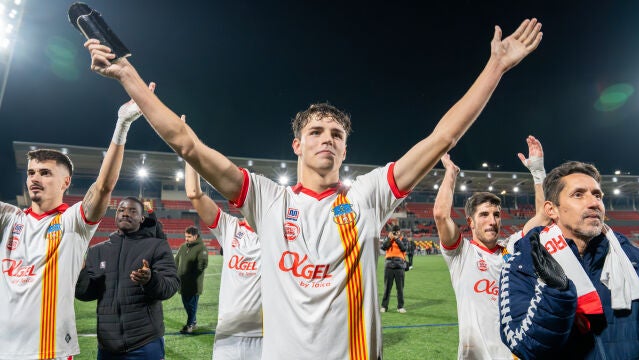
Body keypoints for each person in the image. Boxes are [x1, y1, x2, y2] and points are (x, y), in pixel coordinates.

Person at [84, 17, 542, 359]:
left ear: (344, 150)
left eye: (337, 134)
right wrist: (127, 76)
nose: (328, 139)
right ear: (297, 144)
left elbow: (442, 137)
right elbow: (187, 143)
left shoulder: (367, 195)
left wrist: (496, 66)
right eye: (318, 131)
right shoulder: (267, 198)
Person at [0, 92, 147, 359]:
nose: (35, 178)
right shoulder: (9, 219)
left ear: (65, 182)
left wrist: (122, 125)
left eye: (45, 173)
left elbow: (103, 187)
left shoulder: (72, 221)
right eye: (31, 172)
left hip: (48, 350)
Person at [499, 161, 639, 359]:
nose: (594, 203)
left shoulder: (631, 259)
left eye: (597, 195)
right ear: (551, 210)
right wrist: (555, 293)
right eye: (578, 194)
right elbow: (523, 346)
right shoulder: (523, 263)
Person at [433, 135, 549, 359]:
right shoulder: (461, 253)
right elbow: (440, 214)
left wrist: (537, 171)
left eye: (496, 215)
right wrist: (451, 173)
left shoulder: (512, 248)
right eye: (484, 215)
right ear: (470, 222)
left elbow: (544, 217)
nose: (492, 221)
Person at [75, 196, 179, 359]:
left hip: (145, 343)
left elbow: (170, 286)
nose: (125, 214)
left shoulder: (157, 246)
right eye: (121, 210)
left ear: (142, 218)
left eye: (132, 211)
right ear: (115, 215)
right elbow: (86, 293)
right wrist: (80, 273)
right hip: (107, 345)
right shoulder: (97, 251)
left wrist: (150, 280)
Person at [183, 150, 262, 359]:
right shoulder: (229, 227)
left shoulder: (278, 230)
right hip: (229, 336)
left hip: (269, 336)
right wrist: (188, 151)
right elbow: (194, 193)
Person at [174, 225, 209, 334]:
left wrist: (191, 277)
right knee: (186, 304)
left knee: (192, 305)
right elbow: (176, 260)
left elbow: (202, 265)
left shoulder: (201, 248)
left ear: (195, 236)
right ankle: (193, 322)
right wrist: (174, 273)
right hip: (182, 282)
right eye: (185, 236)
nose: (186, 238)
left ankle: (189, 325)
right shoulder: (183, 246)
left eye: (189, 236)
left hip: (194, 283)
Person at [380, 225, 409, 313]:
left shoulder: (403, 239)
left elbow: (403, 248)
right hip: (389, 265)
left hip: (399, 266)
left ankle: (400, 307)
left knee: (400, 288)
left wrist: (396, 239)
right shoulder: (388, 238)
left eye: (397, 231)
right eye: (394, 231)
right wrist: (390, 238)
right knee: (387, 288)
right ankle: (384, 306)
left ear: (399, 232)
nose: (396, 233)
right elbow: (384, 247)